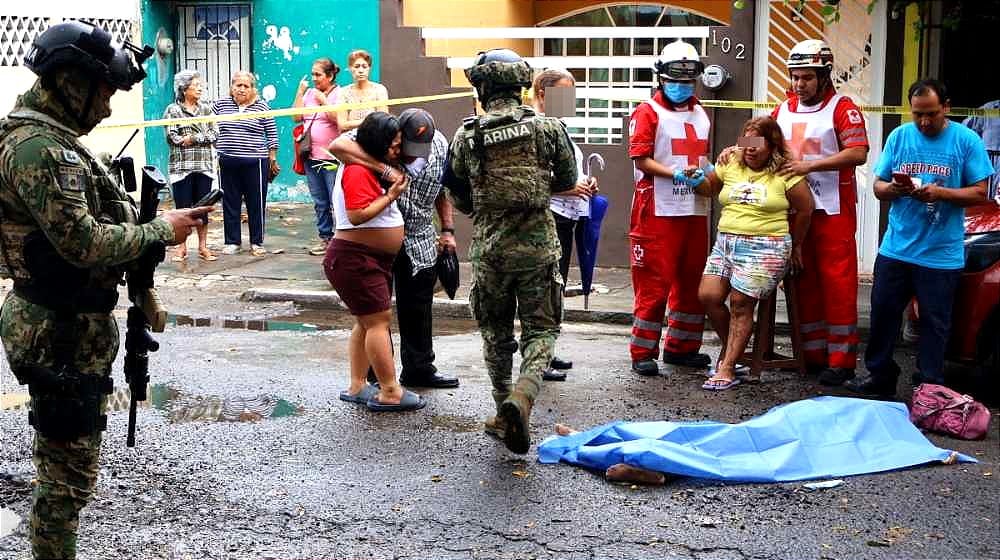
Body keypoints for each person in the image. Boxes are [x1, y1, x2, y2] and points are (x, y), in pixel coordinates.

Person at [0, 21, 208, 559]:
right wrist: (162, 229)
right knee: (64, 479)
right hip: (58, 328)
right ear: (71, 81)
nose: (109, 107)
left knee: (71, 468)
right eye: (106, 91)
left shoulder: (57, 142)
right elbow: (83, 242)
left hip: (71, 321)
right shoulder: (40, 150)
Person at [445, 48, 578, 454]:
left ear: (482, 87)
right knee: (541, 329)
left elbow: (459, 196)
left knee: (496, 332)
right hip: (538, 247)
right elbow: (568, 178)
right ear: (520, 86)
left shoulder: (467, 135)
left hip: (490, 250)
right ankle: (522, 396)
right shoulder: (548, 128)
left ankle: (502, 408)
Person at [846, 79, 993, 398]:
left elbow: (981, 192)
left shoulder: (966, 140)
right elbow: (877, 187)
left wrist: (940, 193)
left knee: (935, 324)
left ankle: (930, 385)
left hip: (941, 253)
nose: (924, 122)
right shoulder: (900, 136)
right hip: (896, 248)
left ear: (947, 108)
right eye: (917, 115)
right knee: (884, 315)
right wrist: (894, 189)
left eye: (931, 114)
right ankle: (879, 376)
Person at [329, 108, 460, 389]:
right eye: (404, 150)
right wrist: (385, 169)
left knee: (418, 306)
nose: (410, 156)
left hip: (420, 237)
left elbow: (442, 191)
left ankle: (420, 368)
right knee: (378, 312)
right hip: (375, 243)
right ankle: (379, 377)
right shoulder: (380, 138)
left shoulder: (439, 146)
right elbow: (337, 145)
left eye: (417, 151)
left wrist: (447, 230)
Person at [689, 116, 814, 390]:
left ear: (772, 145)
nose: (751, 149)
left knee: (740, 303)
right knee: (707, 296)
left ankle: (728, 366)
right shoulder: (730, 162)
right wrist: (696, 180)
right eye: (747, 143)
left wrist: (797, 245)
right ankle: (735, 350)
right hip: (726, 243)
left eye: (759, 144)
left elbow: (806, 209)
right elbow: (710, 189)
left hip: (767, 246)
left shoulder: (786, 171)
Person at [772, 40, 869, 386]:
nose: (800, 85)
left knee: (838, 284)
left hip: (832, 210)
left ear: (825, 75)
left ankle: (841, 360)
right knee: (802, 281)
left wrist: (809, 165)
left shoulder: (843, 108)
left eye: (808, 78)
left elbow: (858, 153)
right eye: (796, 78)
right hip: (795, 210)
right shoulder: (782, 109)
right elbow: (762, 143)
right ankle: (812, 355)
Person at [324, 111, 426, 412]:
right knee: (378, 323)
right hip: (356, 258)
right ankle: (390, 390)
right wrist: (391, 195)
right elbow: (357, 215)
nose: (397, 150)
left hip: (365, 258)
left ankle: (358, 384)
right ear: (378, 141)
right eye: (393, 145)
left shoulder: (370, 165)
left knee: (367, 322)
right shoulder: (358, 169)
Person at [627, 40, 713, 377]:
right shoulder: (646, 112)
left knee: (692, 279)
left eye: (688, 80)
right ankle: (642, 350)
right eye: (675, 78)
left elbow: (702, 156)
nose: (682, 86)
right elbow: (641, 158)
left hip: (694, 205)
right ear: (660, 77)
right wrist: (674, 173)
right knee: (653, 281)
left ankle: (682, 347)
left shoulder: (700, 112)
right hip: (657, 207)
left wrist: (708, 175)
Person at [529, 68, 599, 381]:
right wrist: (571, 188)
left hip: (568, 216)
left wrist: (585, 183)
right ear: (542, 94)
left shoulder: (559, 126)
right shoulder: (535, 127)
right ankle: (536, 360)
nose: (568, 101)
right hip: (549, 216)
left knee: (554, 287)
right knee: (543, 289)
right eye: (562, 94)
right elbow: (530, 180)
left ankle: (547, 350)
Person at [212, 70, 278, 256]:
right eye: (238, 85)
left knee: (256, 203)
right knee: (230, 201)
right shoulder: (220, 105)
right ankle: (232, 241)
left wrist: (272, 158)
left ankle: (257, 242)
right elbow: (209, 127)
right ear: (231, 88)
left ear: (252, 89)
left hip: (255, 162)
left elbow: (272, 135)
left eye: (245, 86)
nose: (241, 89)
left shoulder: (261, 107)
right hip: (227, 161)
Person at [164, 69, 218, 263]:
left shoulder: (206, 109)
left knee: (203, 209)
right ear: (184, 88)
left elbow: (214, 134)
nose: (200, 88)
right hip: (181, 168)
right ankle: (182, 248)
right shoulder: (173, 110)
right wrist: (190, 139)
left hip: (203, 166)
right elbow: (173, 137)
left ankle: (203, 247)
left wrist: (193, 138)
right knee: (183, 210)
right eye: (196, 85)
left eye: (200, 85)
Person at [292, 57, 342, 256]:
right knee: (319, 201)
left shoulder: (340, 94)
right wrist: (300, 92)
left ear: (330, 76)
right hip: (311, 156)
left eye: (318, 74)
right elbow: (296, 117)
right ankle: (325, 238)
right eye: (313, 74)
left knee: (334, 200)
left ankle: (340, 240)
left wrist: (325, 102)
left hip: (331, 159)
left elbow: (339, 121)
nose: (314, 78)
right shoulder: (310, 93)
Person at [336, 50, 389, 133]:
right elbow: (342, 125)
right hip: (349, 139)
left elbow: (382, 121)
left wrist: (352, 123)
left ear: (369, 68)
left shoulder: (379, 90)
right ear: (350, 68)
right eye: (357, 66)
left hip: (373, 137)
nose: (360, 70)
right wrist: (369, 121)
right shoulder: (343, 92)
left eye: (364, 66)